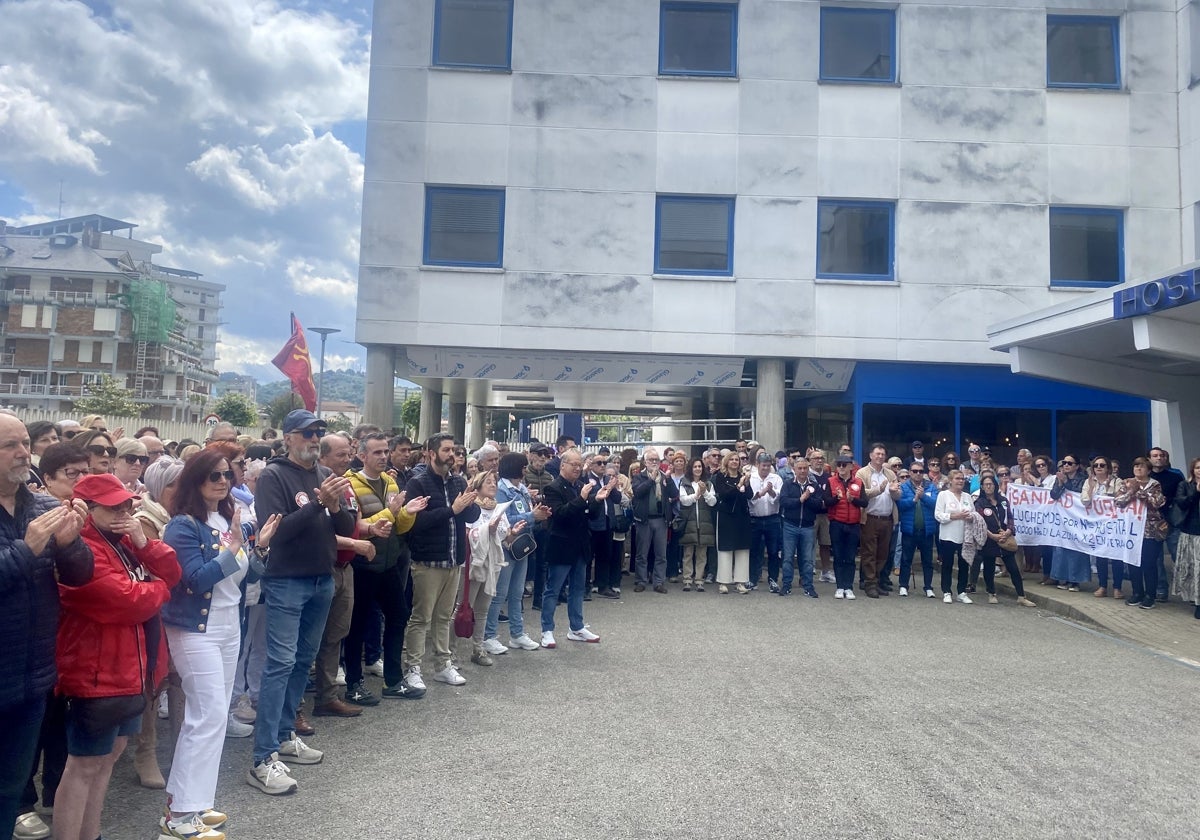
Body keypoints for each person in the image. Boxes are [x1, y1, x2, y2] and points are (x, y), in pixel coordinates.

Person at [159, 451, 279, 840]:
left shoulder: (226, 519)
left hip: (229, 624)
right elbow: (193, 579)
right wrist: (233, 550)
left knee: (214, 716)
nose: (222, 480)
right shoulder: (182, 526)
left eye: (227, 474)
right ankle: (178, 815)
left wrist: (256, 548)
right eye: (213, 474)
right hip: (197, 629)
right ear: (194, 479)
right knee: (206, 716)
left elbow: (248, 574)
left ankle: (193, 801)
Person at [56, 473, 180, 840]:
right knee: (83, 764)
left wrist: (144, 543)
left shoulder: (123, 541)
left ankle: (90, 834)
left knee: (108, 757)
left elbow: (172, 572)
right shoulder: (80, 548)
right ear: (86, 510)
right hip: (95, 674)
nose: (123, 512)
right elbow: (127, 601)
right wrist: (155, 587)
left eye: (126, 504)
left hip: (128, 671)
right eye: (112, 507)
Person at [247, 410, 356, 796]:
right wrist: (316, 504)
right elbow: (276, 533)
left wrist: (336, 505)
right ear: (289, 437)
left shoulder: (325, 476)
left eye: (319, 432)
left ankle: (284, 735)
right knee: (278, 664)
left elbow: (346, 529)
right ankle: (262, 757)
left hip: (321, 579)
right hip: (286, 582)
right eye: (308, 433)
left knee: (300, 661)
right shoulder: (274, 476)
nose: (314, 438)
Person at [0, 418, 92, 840]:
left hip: (32, 676)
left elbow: (79, 576)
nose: (24, 453)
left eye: (24, 443)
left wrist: (73, 545)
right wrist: (26, 550)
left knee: (8, 789)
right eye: (10, 446)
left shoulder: (42, 507)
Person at [343, 433, 425, 704]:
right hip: (363, 565)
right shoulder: (350, 484)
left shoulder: (391, 482)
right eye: (376, 452)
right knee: (358, 625)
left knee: (398, 616)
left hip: (389, 563)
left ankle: (393, 679)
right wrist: (391, 512)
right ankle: (354, 683)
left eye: (385, 451)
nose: (383, 456)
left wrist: (407, 514)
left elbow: (397, 527)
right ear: (362, 456)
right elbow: (356, 527)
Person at [401, 434, 480, 691]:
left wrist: (471, 502)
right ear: (431, 453)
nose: (452, 455)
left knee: (444, 616)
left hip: (453, 560)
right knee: (421, 617)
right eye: (446, 450)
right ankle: (412, 668)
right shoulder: (418, 483)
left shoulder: (458, 480)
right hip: (428, 561)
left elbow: (470, 515)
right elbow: (417, 524)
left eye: (454, 450)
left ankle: (443, 665)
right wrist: (452, 510)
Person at [130, 457, 188, 790]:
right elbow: (152, 570)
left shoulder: (186, 515)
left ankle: (182, 746)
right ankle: (145, 753)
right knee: (154, 685)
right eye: (171, 483)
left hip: (183, 609)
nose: (178, 490)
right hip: (156, 610)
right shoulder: (145, 519)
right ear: (156, 486)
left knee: (180, 681)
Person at [539, 449, 608, 648]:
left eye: (580, 465)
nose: (578, 468)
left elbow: (590, 515)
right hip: (561, 544)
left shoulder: (580, 485)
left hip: (581, 544)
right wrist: (582, 498)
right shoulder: (553, 487)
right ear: (563, 465)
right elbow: (559, 515)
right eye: (574, 465)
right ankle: (547, 630)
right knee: (553, 589)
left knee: (578, 588)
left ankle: (576, 627)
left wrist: (596, 500)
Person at [484, 453, 550, 653]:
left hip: (523, 545)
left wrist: (537, 513)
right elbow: (505, 518)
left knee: (517, 592)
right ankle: (489, 635)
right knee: (500, 593)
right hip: (506, 546)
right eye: (522, 466)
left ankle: (517, 633)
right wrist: (532, 515)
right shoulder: (502, 490)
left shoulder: (521, 489)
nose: (525, 469)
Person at [464, 470, 525, 663]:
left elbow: (505, 538)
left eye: (495, 482)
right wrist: (486, 530)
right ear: (478, 486)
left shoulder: (499, 508)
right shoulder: (471, 508)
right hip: (474, 563)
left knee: (483, 609)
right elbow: (467, 534)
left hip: (493, 564)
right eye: (488, 482)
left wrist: (512, 533)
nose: (493, 485)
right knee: (464, 608)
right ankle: (452, 655)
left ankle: (478, 649)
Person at [974, 474, 1036, 607]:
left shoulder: (1003, 500)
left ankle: (1021, 596)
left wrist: (1008, 532)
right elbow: (978, 523)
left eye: (991, 484)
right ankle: (991, 593)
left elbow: (1010, 518)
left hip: (1004, 538)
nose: (989, 486)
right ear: (982, 487)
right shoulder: (979, 503)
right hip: (989, 539)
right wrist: (991, 535)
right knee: (989, 568)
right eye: (986, 484)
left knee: (1013, 568)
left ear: (995, 486)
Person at [1115, 457, 1168, 610]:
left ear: (1148, 470)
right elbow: (1118, 501)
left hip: (1150, 531)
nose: (1138, 469)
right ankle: (1137, 592)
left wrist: (1139, 491)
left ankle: (1150, 595)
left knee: (1149, 563)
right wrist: (1131, 491)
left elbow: (1157, 503)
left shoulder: (1155, 485)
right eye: (1136, 466)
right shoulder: (1126, 483)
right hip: (1131, 531)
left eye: (1142, 467)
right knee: (1133, 562)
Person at [855, 443, 900, 598]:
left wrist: (894, 492)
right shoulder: (862, 473)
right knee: (869, 553)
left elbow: (897, 496)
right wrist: (879, 490)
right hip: (870, 518)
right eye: (877, 454)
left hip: (887, 519)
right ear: (871, 455)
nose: (880, 456)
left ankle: (877, 580)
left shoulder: (890, 474)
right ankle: (869, 584)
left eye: (883, 454)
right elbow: (861, 493)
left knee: (883, 553)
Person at [631, 448, 678, 594]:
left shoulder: (665, 477)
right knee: (642, 554)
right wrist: (651, 480)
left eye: (656, 460)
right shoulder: (639, 476)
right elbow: (637, 492)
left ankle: (659, 582)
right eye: (651, 460)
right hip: (644, 520)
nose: (654, 462)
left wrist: (669, 480)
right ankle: (641, 581)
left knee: (661, 554)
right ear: (645, 462)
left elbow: (674, 494)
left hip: (660, 519)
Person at [779, 456, 824, 598]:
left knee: (807, 559)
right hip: (790, 525)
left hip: (808, 527)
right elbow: (784, 502)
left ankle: (808, 586)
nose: (803, 471)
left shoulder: (814, 485)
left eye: (805, 468)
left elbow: (818, 505)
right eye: (800, 468)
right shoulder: (788, 484)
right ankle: (786, 585)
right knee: (787, 557)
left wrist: (808, 498)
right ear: (794, 469)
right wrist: (800, 500)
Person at [824, 454, 866, 600]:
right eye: (839, 465)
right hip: (837, 523)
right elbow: (827, 502)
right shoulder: (831, 481)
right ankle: (839, 586)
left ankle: (848, 587)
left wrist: (852, 499)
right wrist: (837, 498)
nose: (841, 467)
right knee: (838, 555)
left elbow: (865, 503)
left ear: (851, 467)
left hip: (853, 524)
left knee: (850, 557)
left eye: (844, 465)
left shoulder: (859, 482)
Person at [711, 451, 753, 594]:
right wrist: (738, 486)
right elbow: (724, 494)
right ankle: (723, 582)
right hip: (726, 516)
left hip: (742, 516)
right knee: (725, 549)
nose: (735, 462)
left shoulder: (743, 476)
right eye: (732, 460)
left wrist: (746, 484)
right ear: (727, 462)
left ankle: (740, 582)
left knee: (742, 549)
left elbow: (750, 495)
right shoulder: (720, 477)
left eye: (737, 460)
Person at [1082, 456, 1123, 598]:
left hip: (1114, 525)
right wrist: (1092, 489)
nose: (1099, 467)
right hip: (1097, 524)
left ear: (1108, 468)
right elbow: (1085, 502)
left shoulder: (1117, 482)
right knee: (1101, 556)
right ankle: (1102, 586)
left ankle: (1118, 587)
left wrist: (1107, 488)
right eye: (1096, 465)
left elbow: (1120, 500)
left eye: (1102, 465)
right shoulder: (1088, 482)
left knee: (1116, 556)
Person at [1149, 447, 1185, 602]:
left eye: (1161, 456)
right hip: (1152, 524)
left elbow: (1182, 496)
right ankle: (1161, 590)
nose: (1158, 458)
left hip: (1171, 522)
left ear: (1166, 458)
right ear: (1149, 459)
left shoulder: (1175, 475)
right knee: (1156, 559)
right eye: (1155, 456)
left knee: (1180, 557)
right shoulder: (1145, 476)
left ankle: (1188, 590)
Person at [898, 460, 938, 598]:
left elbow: (936, 504)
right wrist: (914, 499)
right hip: (910, 530)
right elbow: (900, 506)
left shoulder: (931, 487)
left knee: (927, 561)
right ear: (910, 473)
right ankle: (903, 585)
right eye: (915, 471)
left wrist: (923, 498)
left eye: (920, 471)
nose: (918, 474)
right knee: (906, 559)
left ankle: (928, 587)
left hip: (926, 530)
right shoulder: (904, 487)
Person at [934, 470, 974, 604]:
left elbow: (974, 514)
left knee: (964, 565)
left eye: (962, 479)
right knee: (947, 564)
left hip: (965, 536)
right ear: (950, 480)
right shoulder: (943, 495)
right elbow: (938, 515)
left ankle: (961, 592)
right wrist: (954, 516)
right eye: (957, 478)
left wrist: (970, 516)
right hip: (948, 535)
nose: (960, 481)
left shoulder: (967, 496)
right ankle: (946, 591)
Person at [678, 458, 716, 592]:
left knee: (702, 554)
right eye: (695, 466)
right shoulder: (685, 483)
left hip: (704, 522)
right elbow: (684, 501)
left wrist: (704, 491)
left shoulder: (709, 483)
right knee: (688, 553)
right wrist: (696, 495)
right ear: (691, 468)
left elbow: (712, 502)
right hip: (689, 522)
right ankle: (687, 579)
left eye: (700, 466)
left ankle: (699, 580)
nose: (698, 469)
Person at [748, 451, 784, 592]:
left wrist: (771, 492)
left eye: (768, 466)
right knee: (754, 551)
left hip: (772, 519)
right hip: (755, 519)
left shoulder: (776, 478)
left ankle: (773, 580)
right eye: (763, 466)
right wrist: (761, 492)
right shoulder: (751, 478)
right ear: (757, 465)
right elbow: (750, 499)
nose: (765, 468)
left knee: (773, 551)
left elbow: (778, 497)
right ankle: (753, 579)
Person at [1170, 458, 1200, 619]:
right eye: (1197, 468)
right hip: (1191, 532)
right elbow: (1181, 503)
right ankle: (1196, 602)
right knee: (1194, 569)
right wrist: (1196, 491)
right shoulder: (1185, 485)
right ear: (1192, 470)